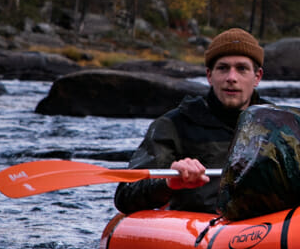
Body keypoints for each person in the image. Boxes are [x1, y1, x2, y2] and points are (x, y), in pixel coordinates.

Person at [114, 28, 266, 214]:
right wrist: (168, 181)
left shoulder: (278, 125)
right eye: (223, 68)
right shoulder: (174, 125)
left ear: (257, 77)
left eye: (241, 69)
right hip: (198, 227)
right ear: (210, 76)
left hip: (268, 226)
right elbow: (126, 195)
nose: (231, 78)